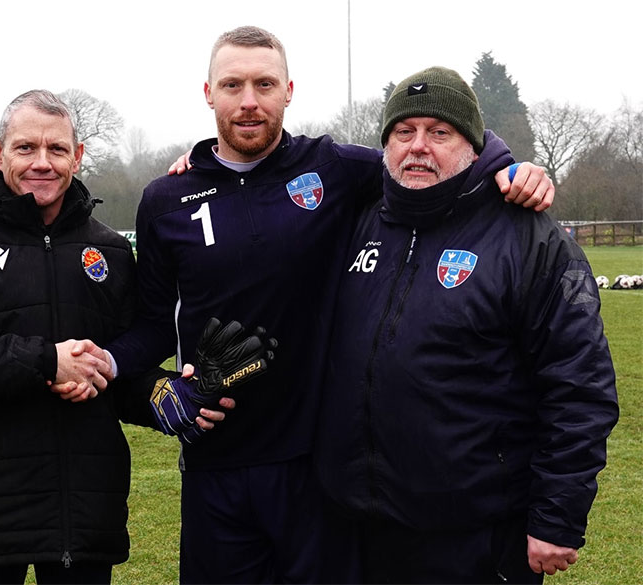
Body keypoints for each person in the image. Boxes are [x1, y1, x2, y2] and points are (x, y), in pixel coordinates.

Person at [101, 26, 555, 584]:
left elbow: (428, 157)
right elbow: (149, 325)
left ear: (288, 90)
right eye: (233, 85)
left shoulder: (335, 168)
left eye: (264, 84)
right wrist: (148, 389)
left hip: (317, 471)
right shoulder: (165, 200)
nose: (249, 101)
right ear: (208, 92)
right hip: (215, 466)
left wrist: (506, 166)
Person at [0, 90, 261, 585]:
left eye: (57, 149)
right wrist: (48, 361)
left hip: (82, 511)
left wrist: (165, 394)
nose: (42, 163)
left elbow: (116, 362)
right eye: (26, 148)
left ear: (79, 155)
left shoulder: (108, 248)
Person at [315, 66, 619, 584]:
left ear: (474, 147)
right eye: (403, 133)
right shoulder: (356, 222)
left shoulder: (529, 238)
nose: (418, 147)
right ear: (385, 146)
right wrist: (206, 163)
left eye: (440, 133)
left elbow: (580, 387)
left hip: (475, 538)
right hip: (357, 531)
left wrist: (558, 516)